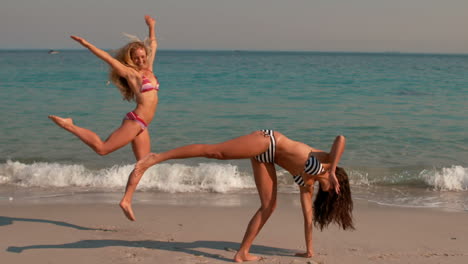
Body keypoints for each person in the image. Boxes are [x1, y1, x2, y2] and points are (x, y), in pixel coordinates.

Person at [120, 130, 354, 262]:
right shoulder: (325, 162)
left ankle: (242, 252)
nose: (333, 197)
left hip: (266, 158)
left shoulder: (307, 185)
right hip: (269, 140)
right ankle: (156, 158)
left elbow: (307, 217)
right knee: (216, 152)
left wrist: (309, 249)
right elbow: (341, 138)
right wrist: (332, 170)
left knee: (269, 206)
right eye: (337, 195)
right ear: (338, 186)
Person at [49, 15, 159, 163]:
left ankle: (134, 187)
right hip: (136, 121)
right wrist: (87, 45)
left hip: (143, 124)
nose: (140, 60)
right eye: (136, 58)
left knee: (143, 164)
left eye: (142, 57)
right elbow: (109, 58)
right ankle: (69, 125)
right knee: (102, 149)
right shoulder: (132, 74)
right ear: (131, 59)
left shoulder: (149, 68)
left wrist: (151, 26)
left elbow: (153, 44)